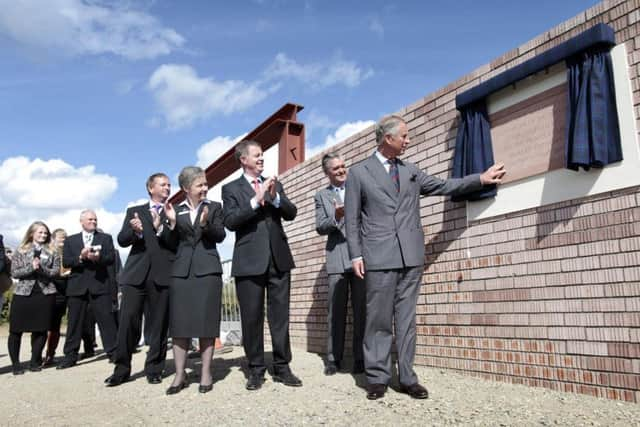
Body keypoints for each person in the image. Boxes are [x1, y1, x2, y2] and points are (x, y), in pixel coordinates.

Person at [344, 115, 506, 400]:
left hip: (410, 257)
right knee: (378, 320)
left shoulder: (410, 171)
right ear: (387, 138)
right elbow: (352, 219)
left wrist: (479, 179)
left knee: (406, 320)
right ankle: (378, 378)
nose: (408, 141)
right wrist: (355, 254)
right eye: (404, 136)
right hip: (378, 257)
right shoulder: (359, 173)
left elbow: (443, 186)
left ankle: (407, 377)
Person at [222, 140, 301, 391]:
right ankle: (255, 368)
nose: (261, 158)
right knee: (251, 318)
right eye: (256, 155)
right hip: (248, 262)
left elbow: (291, 212)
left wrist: (275, 197)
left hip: (278, 258)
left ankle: (282, 366)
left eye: (262, 154)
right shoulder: (230, 188)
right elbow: (230, 221)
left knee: (280, 317)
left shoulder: (275, 184)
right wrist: (255, 201)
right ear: (243, 159)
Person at [105, 173, 174, 387]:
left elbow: (176, 243)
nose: (168, 188)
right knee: (127, 323)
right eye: (163, 184)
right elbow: (122, 240)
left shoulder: (174, 211)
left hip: (162, 274)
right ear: (150, 188)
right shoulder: (134, 212)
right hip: (136, 275)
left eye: (169, 185)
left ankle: (154, 368)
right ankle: (121, 369)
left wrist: (162, 227)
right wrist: (136, 232)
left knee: (159, 324)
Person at [162, 166, 226, 395]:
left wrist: (205, 224)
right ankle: (180, 375)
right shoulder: (174, 210)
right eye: (200, 185)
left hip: (207, 271)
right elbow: (169, 244)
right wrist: (170, 223)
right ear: (186, 188)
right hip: (181, 273)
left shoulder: (214, 207)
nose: (205, 188)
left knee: (206, 323)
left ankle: (206, 372)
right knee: (180, 325)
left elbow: (220, 235)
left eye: (206, 184)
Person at [315, 153, 366, 375]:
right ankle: (333, 359)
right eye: (336, 168)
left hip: (361, 256)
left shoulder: (358, 188)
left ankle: (360, 359)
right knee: (335, 312)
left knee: (361, 310)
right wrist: (335, 217)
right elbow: (320, 226)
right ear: (327, 173)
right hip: (337, 257)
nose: (341, 170)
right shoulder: (321, 196)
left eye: (343, 166)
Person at [58, 209, 118, 369]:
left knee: (107, 321)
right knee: (74, 323)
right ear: (81, 221)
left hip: (99, 285)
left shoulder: (105, 238)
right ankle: (70, 356)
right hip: (77, 287)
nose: (93, 222)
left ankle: (113, 353)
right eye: (90, 219)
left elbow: (111, 258)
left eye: (95, 219)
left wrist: (98, 258)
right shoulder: (71, 241)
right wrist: (81, 257)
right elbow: (67, 262)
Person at [7, 221, 60, 374]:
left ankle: (34, 361)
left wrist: (41, 268)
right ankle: (16, 364)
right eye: (40, 232)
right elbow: (14, 272)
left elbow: (55, 272)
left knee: (41, 329)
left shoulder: (52, 251)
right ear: (32, 233)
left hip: (45, 293)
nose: (43, 235)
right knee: (16, 330)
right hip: (23, 293)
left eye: (45, 233)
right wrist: (31, 266)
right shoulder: (21, 250)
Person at [43, 228, 71, 366]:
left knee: (55, 324)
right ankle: (36, 354)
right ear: (53, 238)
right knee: (42, 324)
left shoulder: (67, 253)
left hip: (62, 292)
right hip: (48, 289)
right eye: (61, 237)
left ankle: (50, 354)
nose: (63, 240)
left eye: (65, 238)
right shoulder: (46, 252)